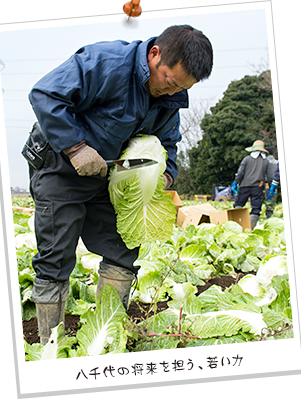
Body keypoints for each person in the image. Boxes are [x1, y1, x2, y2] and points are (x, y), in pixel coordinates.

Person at [23, 25, 213, 345]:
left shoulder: (173, 95)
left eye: (180, 87)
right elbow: (45, 94)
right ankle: (49, 345)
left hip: (110, 178)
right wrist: (76, 147)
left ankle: (108, 336)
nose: (171, 91)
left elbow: (168, 143)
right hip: (61, 166)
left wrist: (163, 176)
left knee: (124, 249)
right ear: (155, 55)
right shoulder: (107, 62)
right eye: (169, 81)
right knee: (55, 259)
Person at [232, 140, 269, 230]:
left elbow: (240, 172)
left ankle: (236, 226)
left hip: (245, 186)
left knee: (239, 204)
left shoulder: (247, 159)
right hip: (257, 187)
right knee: (256, 208)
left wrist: (236, 182)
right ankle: (250, 228)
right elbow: (267, 176)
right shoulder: (266, 161)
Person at [264, 146, 279, 218]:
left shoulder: (264, 162)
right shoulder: (277, 162)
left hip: (265, 184)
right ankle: (269, 216)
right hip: (274, 185)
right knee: (271, 203)